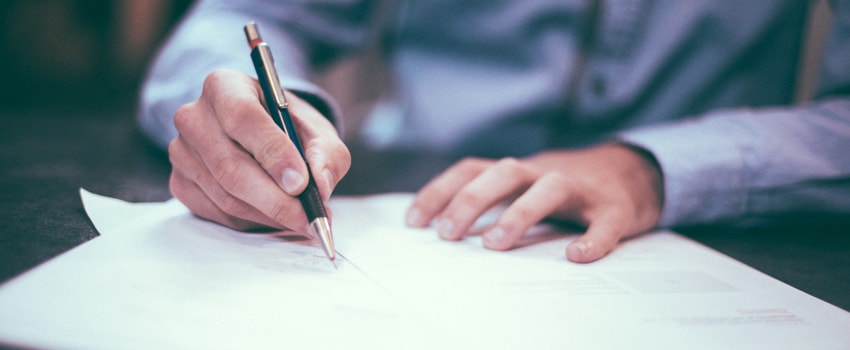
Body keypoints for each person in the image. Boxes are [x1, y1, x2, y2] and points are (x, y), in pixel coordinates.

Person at [138, 0, 850, 263]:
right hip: (416, 205)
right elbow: (241, 18)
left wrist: (652, 167)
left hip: (713, 230)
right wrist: (256, 114)